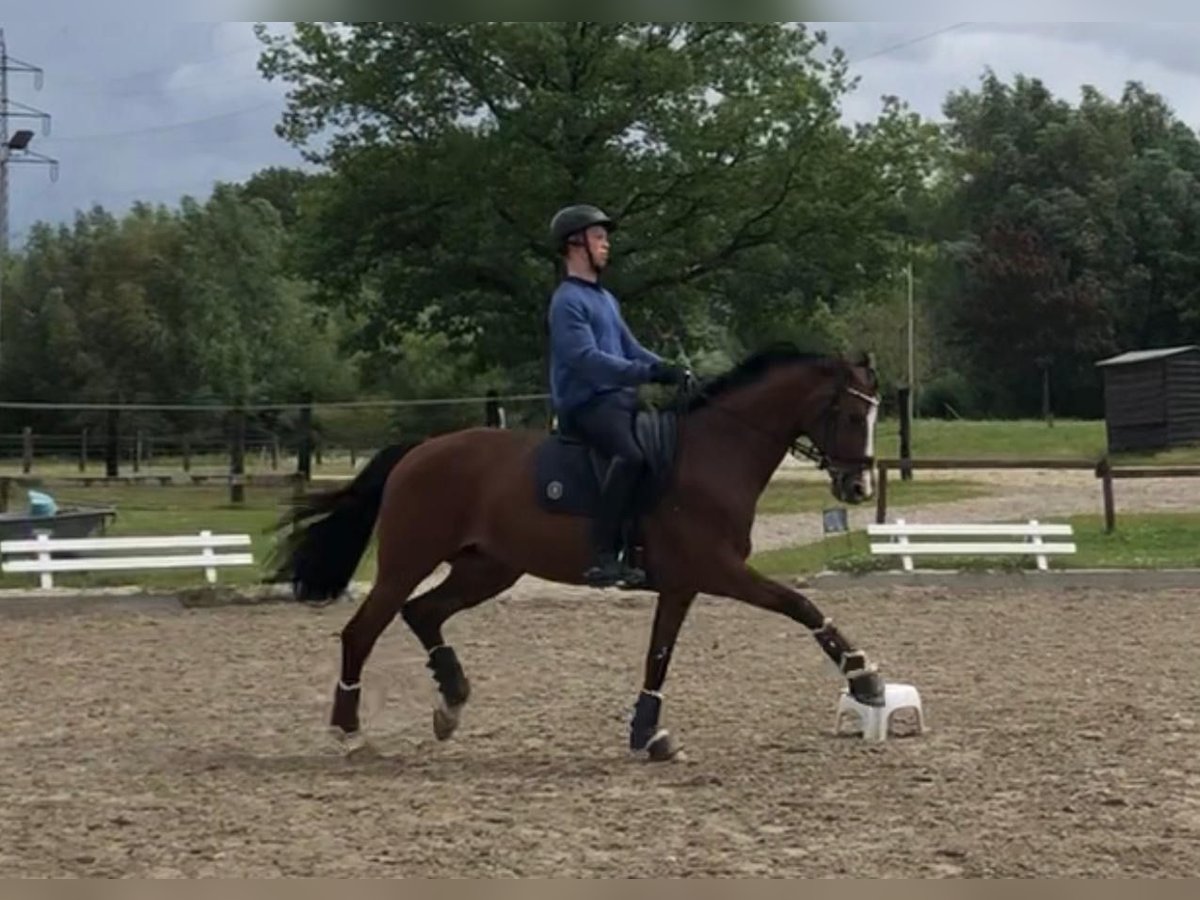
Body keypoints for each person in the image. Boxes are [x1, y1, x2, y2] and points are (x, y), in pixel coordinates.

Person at [546, 203, 689, 588]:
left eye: (605, 238)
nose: (606, 245)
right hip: (587, 404)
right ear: (575, 244)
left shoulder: (605, 299)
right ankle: (603, 554)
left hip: (619, 400)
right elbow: (587, 360)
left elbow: (631, 348)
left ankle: (645, 545)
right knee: (631, 455)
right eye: (599, 237)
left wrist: (670, 369)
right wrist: (646, 373)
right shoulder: (566, 301)